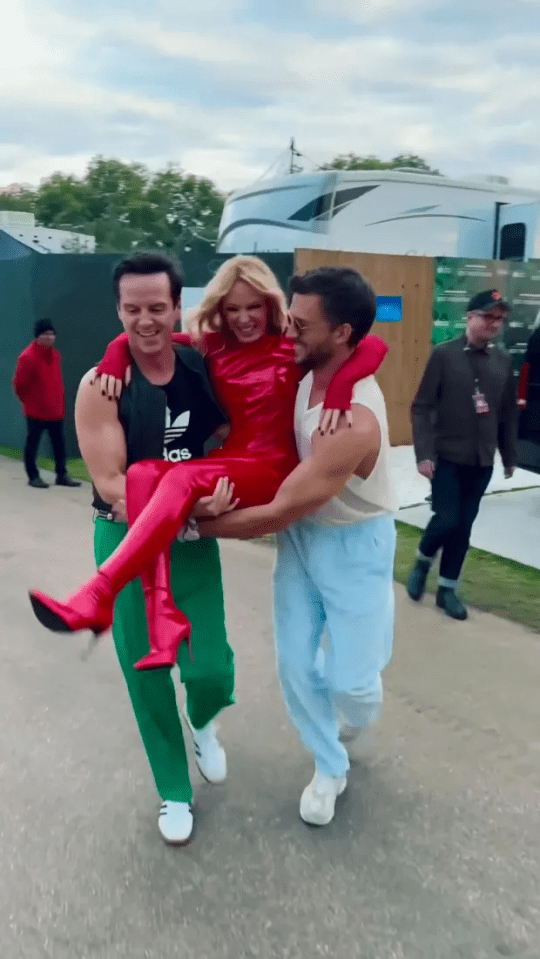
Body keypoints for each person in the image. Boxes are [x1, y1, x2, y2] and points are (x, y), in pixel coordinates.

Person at [29, 257, 387, 676]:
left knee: (179, 474)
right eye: (232, 309)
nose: (244, 318)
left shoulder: (292, 345)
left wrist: (342, 389)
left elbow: (372, 346)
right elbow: (145, 338)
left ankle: (99, 593)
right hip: (231, 458)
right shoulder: (212, 345)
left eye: (253, 307)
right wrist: (112, 356)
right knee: (144, 473)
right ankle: (161, 612)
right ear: (219, 309)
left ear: (270, 304)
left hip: (270, 467)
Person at [188, 266, 398, 828]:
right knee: (295, 664)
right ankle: (330, 766)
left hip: (356, 544)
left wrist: (194, 528)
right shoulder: (308, 365)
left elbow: (279, 510)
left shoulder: (356, 421)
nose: (288, 331)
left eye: (301, 324)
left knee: (353, 682)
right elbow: (370, 343)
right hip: (303, 542)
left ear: (342, 334)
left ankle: (363, 678)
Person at [48, 253, 238, 846]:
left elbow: (232, 433)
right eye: (132, 310)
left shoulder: (199, 365)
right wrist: (191, 504)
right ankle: (173, 792)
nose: (145, 321)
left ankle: (202, 718)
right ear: (118, 310)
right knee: (146, 670)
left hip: (192, 541)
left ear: (177, 306)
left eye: (157, 307)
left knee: (210, 666)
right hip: (126, 540)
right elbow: (112, 484)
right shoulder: (99, 386)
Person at [407, 289, 518, 621]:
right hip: (446, 457)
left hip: (481, 460)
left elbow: (508, 413)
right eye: (488, 317)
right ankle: (423, 559)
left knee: (464, 526)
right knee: (447, 518)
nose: (494, 324)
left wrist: (509, 455)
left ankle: (447, 589)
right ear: (470, 317)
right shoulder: (444, 355)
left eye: (499, 319)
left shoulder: (503, 361)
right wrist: (424, 453)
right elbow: (421, 407)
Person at [13, 318, 81, 489]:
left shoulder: (55, 355)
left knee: (59, 444)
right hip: (35, 412)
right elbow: (19, 385)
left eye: (52, 334)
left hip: (55, 410)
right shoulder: (27, 357)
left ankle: (62, 474)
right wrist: (29, 402)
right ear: (37, 336)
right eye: (46, 334)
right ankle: (33, 476)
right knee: (33, 443)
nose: (50, 337)